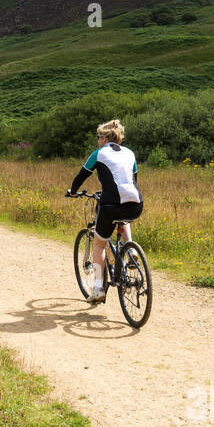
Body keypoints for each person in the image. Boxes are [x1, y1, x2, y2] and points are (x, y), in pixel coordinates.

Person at [66, 119, 142, 303]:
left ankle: (98, 287)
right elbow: (133, 179)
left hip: (110, 205)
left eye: (99, 137)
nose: (97, 140)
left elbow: (81, 176)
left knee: (99, 245)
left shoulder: (98, 154)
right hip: (136, 203)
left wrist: (73, 192)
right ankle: (131, 251)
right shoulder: (130, 153)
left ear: (106, 137)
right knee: (123, 218)